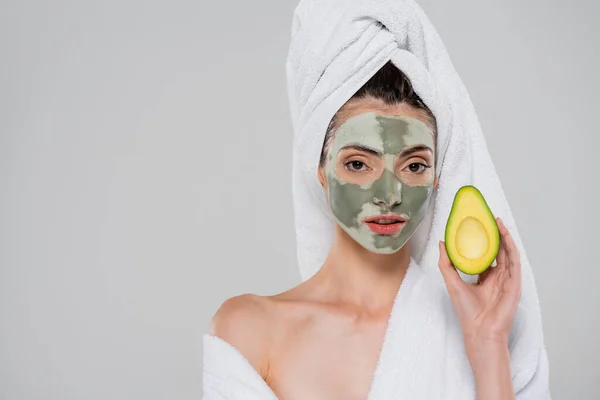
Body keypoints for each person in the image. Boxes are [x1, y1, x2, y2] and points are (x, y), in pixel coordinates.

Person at [208, 61, 523, 399]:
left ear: (435, 180)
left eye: (414, 166)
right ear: (321, 170)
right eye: (358, 164)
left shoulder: (475, 328)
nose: (389, 195)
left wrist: (487, 342)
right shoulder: (250, 327)